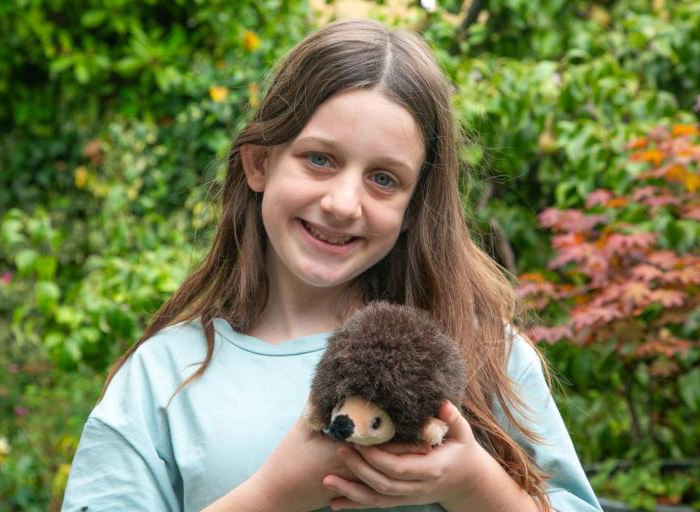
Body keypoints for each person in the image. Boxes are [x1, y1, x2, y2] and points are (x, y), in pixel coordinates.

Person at [62, 18, 602, 512]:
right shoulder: (162, 379)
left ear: (414, 208)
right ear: (260, 164)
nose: (345, 203)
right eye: (320, 159)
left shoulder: (484, 353)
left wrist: (474, 485)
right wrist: (273, 495)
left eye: (384, 179)